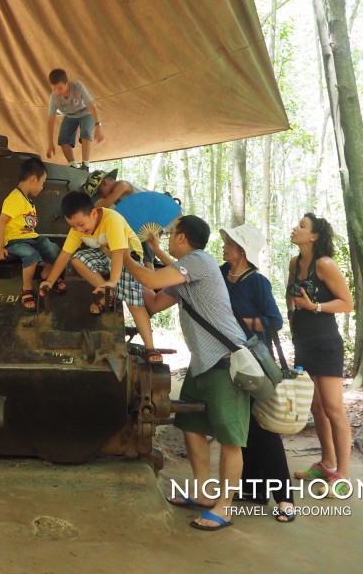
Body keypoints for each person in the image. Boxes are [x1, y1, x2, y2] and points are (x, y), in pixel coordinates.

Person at [128, 214, 249, 531]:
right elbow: (153, 301)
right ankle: (203, 493)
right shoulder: (184, 273)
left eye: (170, 234)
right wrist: (137, 271)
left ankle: (224, 507)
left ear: (182, 238)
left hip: (225, 362)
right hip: (201, 365)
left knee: (229, 439)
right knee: (192, 427)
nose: (167, 237)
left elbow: (153, 280)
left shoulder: (198, 261)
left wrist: (122, 256)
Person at [218, 224, 296, 522]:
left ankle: (285, 499)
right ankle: (254, 488)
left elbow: (274, 321)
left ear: (242, 251)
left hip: (252, 363)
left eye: (230, 243)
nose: (224, 245)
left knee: (263, 430)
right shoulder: (221, 274)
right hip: (228, 360)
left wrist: (243, 323)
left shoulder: (257, 282)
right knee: (244, 424)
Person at [39, 192, 161, 363]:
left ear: (94, 213)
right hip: (105, 253)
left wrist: (113, 281)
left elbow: (119, 253)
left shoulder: (112, 220)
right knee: (78, 260)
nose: (78, 230)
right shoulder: (77, 229)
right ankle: (108, 294)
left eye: (81, 224)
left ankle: (150, 347)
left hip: (128, 256)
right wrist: (50, 280)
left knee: (134, 304)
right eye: (73, 226)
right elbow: (65, 255)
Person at [287, 213, 354, 497]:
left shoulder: (324, 264)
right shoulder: (295, 262)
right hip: (303, 342)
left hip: (326, 343)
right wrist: (294, 308)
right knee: (315, 408)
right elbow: (292, 296)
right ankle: (326, 464)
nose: (295, 228)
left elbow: (347, 303)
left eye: (302, 226)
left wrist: (314, 306)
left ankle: (343, 476)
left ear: (314, 236)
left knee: (333, 409)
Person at [0, 157, 64, 311]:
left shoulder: (28, 201)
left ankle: (46, 274)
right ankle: (26, 288)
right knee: (31, 256)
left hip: (31, 237)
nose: (42, 187)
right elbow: (1, 222)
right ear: (33, 179)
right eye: (42, 183)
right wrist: (0, 248)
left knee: (54, 249)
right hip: (16, 241)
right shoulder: (15, 199)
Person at [44, 68, 103, 168]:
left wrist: (98, 125)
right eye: (54, 89)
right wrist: (50, 143)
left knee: (85, 132)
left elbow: (91, 106)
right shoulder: (54, 97)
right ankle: (73, 165)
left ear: (67, 82)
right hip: (70, 116)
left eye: (60, 88)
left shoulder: (77, 86)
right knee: (62, 139)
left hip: (86, 112)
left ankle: (85, 165)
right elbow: (50, 121)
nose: (57, 92)